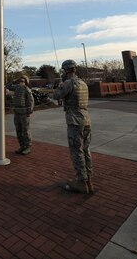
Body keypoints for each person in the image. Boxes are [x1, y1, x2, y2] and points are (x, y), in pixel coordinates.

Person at [53, 60, 93, 194]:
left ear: (65, 70)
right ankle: (88, 180)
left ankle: (81, 182)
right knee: (86, 150)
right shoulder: (83, 83)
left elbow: (56, 96)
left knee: (77, 151)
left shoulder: (69, 83)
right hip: (86, 119)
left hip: (75, 121)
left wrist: (59, 87)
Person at [13, 75, 34, 155]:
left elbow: (31, 102)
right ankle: (22, 146)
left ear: (26, 82)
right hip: (17, 112)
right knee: (18, 130)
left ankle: (27, 147)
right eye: (20, 81)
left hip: (24, 113)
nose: (21, 82)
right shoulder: (17, 89)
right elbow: (15, 100)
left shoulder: (27, 90)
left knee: (25, 130)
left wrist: (29, 111)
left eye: (23, 81)